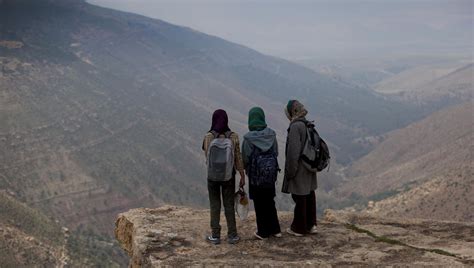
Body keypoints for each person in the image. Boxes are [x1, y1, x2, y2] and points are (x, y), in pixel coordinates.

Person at [202, 109, 245, 245]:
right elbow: (238, 158)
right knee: (228, 205)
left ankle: (215, 236)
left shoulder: (208, 136)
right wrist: (242, 175)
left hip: (212, 177)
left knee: (215, 205)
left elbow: (207, 156)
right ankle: (232, 235)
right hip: (229, 176)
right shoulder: (233, 136)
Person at [241, 107, 282, 240]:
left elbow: (245, 159)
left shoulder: (248, 139)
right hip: (270, 176)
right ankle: (275, 229)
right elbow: (275, 153)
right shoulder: (272, 135)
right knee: (270, 201)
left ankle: (263, 232)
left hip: (255, 177)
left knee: (259, 203)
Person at [282, 100, 318, 236]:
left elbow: (293, 153)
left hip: (300, 168)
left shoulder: (295, 127)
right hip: (310, 166)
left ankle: (299, 228)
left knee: (300, 196)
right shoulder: (307, 123)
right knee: (309, 194)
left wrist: (290, 171)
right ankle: (312, 225)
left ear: (292, 112)